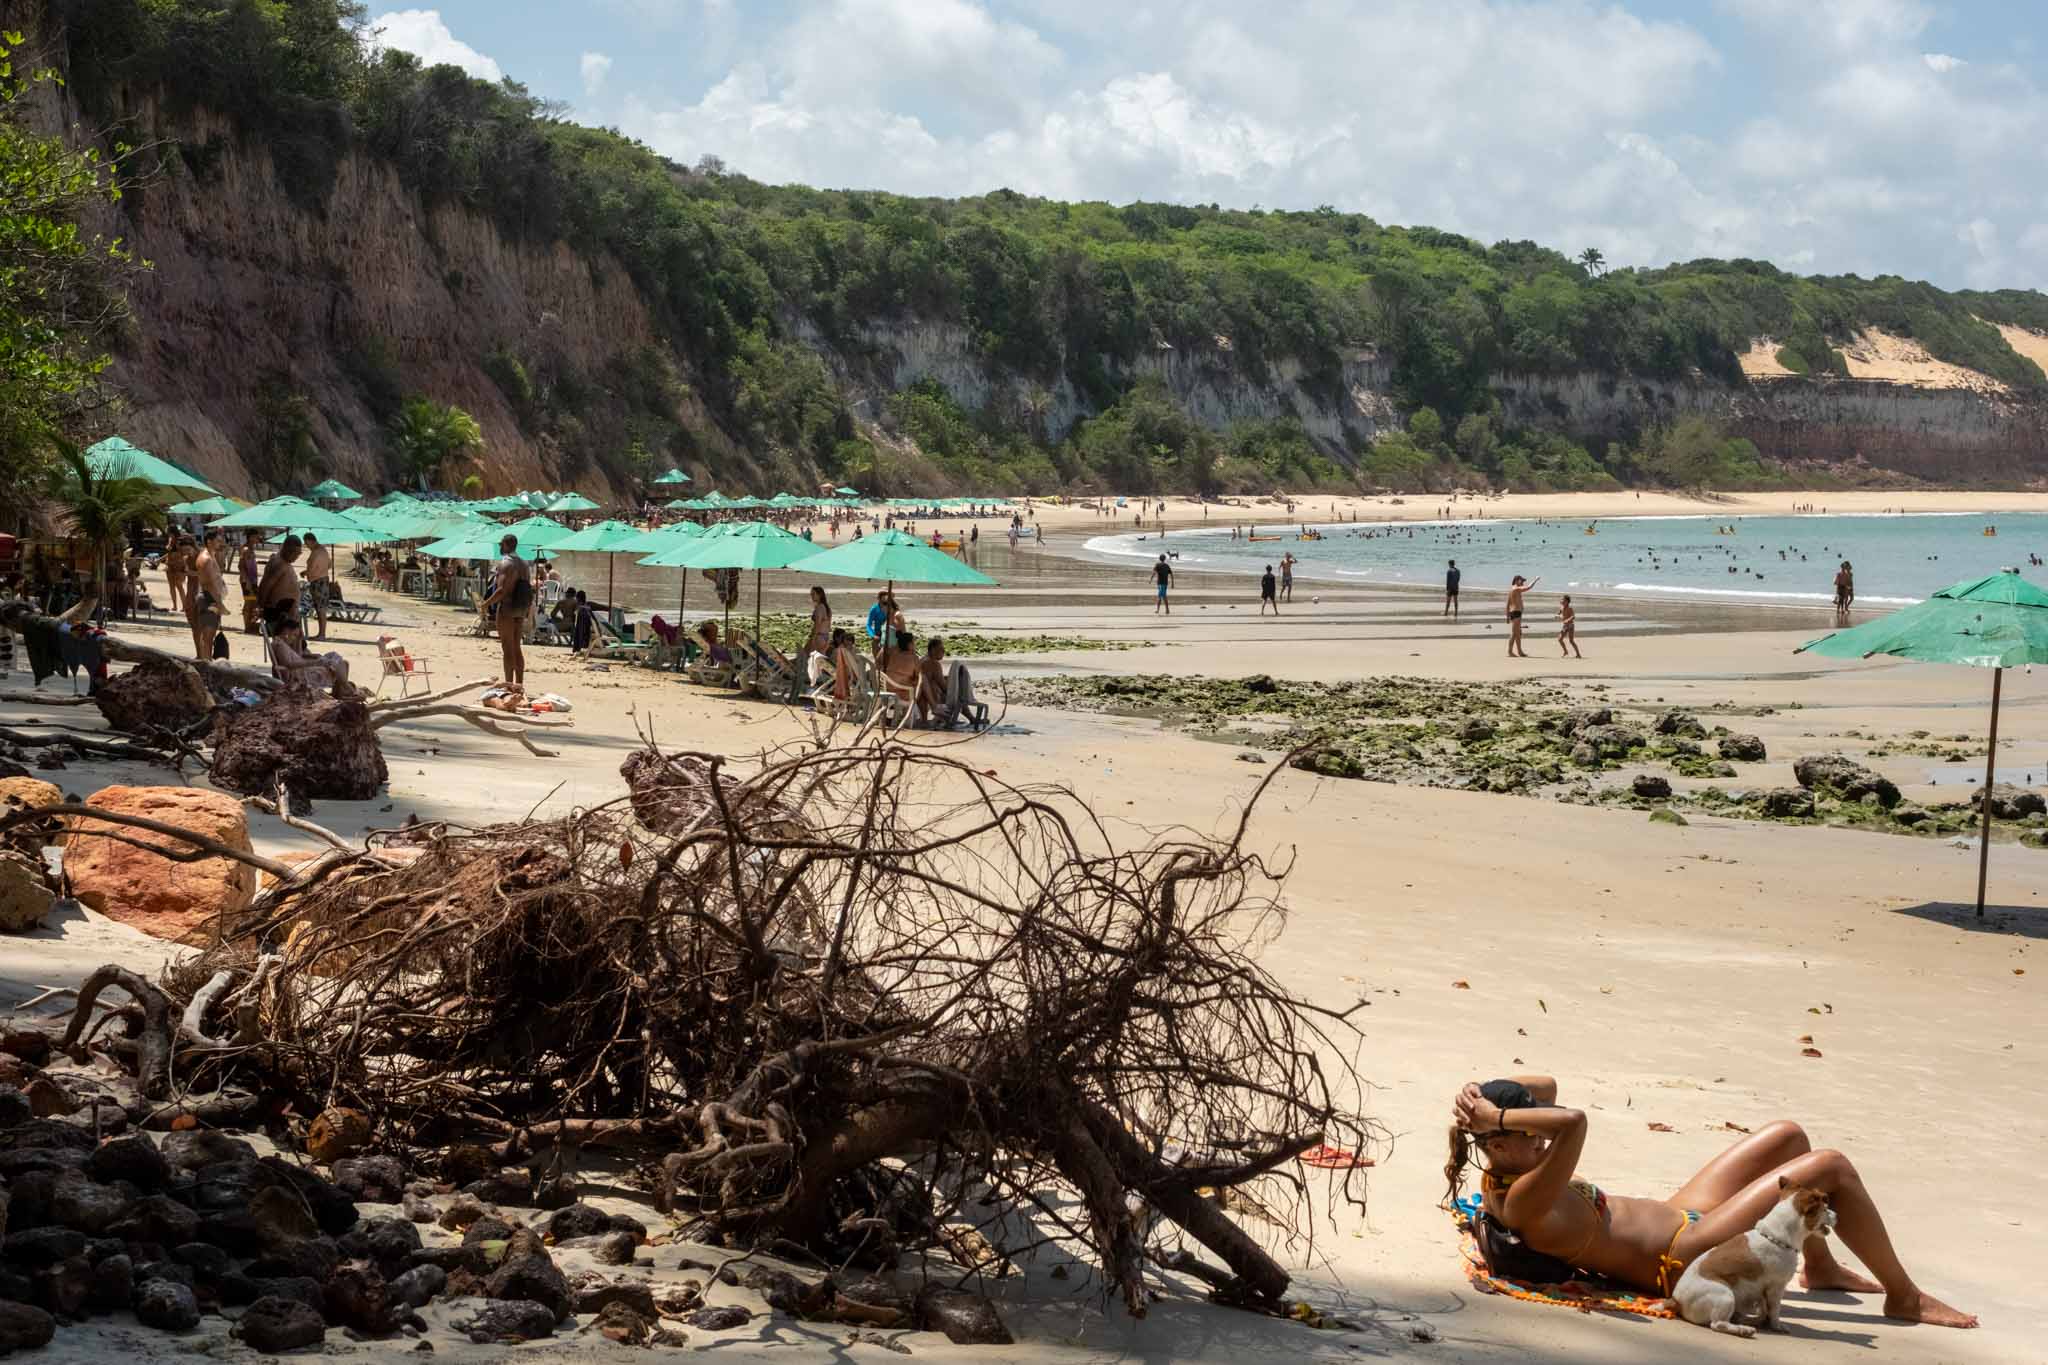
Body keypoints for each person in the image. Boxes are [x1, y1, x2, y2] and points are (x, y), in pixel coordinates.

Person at [1447, 1076, 1976, 1329]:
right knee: (1830, 1166)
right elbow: (1573, 1122)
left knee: (1788, 1137)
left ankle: (1820, 1265)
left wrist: (1479, 1096)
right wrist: (1498, 1117)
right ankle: (1903, 1296)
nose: (1543, 1143)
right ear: (1499, 1145)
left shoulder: (1513, 1161)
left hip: (1681, 1214)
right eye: (1530, 1136)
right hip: (1680, 1255)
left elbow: (1546, 1086)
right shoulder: (1524, 1196)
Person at [479, 533, 530, 688]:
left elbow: (501, 590)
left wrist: (485, 604)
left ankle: (508, 686)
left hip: (507, 608)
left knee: (507, 648)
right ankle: (519, 686)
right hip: (521, 609)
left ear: (507, 545)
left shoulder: (505, 563)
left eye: (501, 544)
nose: (500, 546)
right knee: (516, 647)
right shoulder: (524, 564)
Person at [269, 615, 356, 699]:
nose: (294, 639)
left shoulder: (282, 643)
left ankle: (343, 691)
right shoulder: (279, 644)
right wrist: (314, 662)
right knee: (341, 664)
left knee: (336, 658)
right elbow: (289, 664)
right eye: (294, 635)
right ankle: (347, 690)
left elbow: (297, 658)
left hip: (303, 671)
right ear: (286, 631)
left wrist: (299, 640)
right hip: (301, 676)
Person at [188, 529, 228, 662]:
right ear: (209, 542)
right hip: (209, 598)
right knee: (208, 636)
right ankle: (207, 663)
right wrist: (219, 604)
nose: (220, 543)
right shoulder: (206, 559)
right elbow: (209, 584)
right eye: (218, 541)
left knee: (209, 635)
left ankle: (206, 661)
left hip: (210, 597)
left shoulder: (210, 556)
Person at [255, 535, 303, 636]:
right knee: (285, 641)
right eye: (295, 553)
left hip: (288, 612)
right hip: (279, 612)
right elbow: (265, 586)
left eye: (299, 554)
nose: (296, 557)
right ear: (287, 549)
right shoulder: (278, 563)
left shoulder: (285, 563)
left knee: (295, 642)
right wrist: (260, 607)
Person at [302, 532, 333, 640]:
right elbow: (329, 565)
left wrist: (307, 573)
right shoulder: (323, 550)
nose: (307, 546)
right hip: (323, 580)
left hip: (318, 582)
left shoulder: (316, 552)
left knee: (320, 609)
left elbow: (312, 568)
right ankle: (321, 633)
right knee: (320, 608)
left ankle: (322, 634)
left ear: (311, 541)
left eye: (307, 543)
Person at [1505, 574, 1538, 658]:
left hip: (1514, 613)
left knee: (1518, 633)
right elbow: (1528, 587)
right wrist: (1536, 580)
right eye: (1521, 580)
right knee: (1514, 633)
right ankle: (1510, 651)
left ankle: (1519, 651)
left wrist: (1507, 616)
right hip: (1516, 613)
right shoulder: (1516, 589)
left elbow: (1508, 604)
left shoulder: (1512, 590)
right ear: (1516, 580)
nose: (1523, 582)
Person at [237, 529, 263, 634]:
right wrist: (247, 581)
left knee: (253, 602)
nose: (258, 539)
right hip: (247, 581)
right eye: (256, 537)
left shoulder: (250, 549)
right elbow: (241, 566)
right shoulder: (246, 549)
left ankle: (250, 626)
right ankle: (247, 627)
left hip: (252, 580)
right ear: (251, 537)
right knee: (248, 603)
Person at [162, 535, 189, 614]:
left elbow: (185, 556)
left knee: (179, 586)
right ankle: (175, 605)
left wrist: (183, 567)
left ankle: (184, 606)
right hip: (170, 568)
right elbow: (168, 554)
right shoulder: (171, 547)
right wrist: (159, 559)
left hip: (178, 569)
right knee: (172, 587)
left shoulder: (180, 546)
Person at [1556, 594, 1581, 659]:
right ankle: (1565, 651)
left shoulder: (1570, 608)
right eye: (1561, 600)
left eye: (1563, 600)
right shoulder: (1561, 607)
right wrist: (1557, 615)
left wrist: (1567, 620)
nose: (1561, 601)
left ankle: (1578, 654)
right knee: (1560, 639)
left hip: (1570, 626)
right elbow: (1559, 612)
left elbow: (1573, 616)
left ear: (1567, 602)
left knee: (1571, 641)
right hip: (1565, 626)